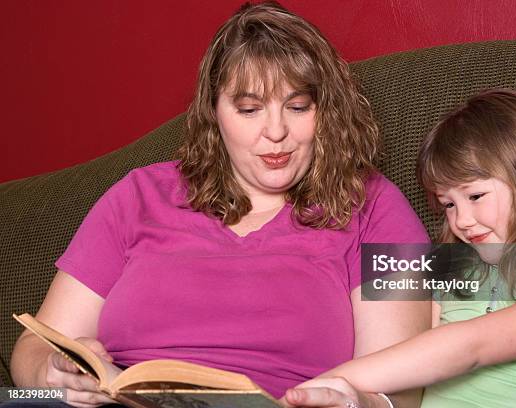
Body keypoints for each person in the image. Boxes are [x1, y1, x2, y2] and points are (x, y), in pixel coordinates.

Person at [9, 2, 430, 407]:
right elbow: (34, 346)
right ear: (214, 112)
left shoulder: (373, 206)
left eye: (298, 106)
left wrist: (362, 403)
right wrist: (51, 374)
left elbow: (399, 389)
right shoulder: (139, 195)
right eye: (249, 109)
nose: (276, 132)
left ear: (327, 110)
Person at [283, 88, 516, 408]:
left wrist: (329, 382)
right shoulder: (454, 265)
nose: (462, 221)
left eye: (475, 196)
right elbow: (404, 362)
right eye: (448, 205)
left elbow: (469, 348)